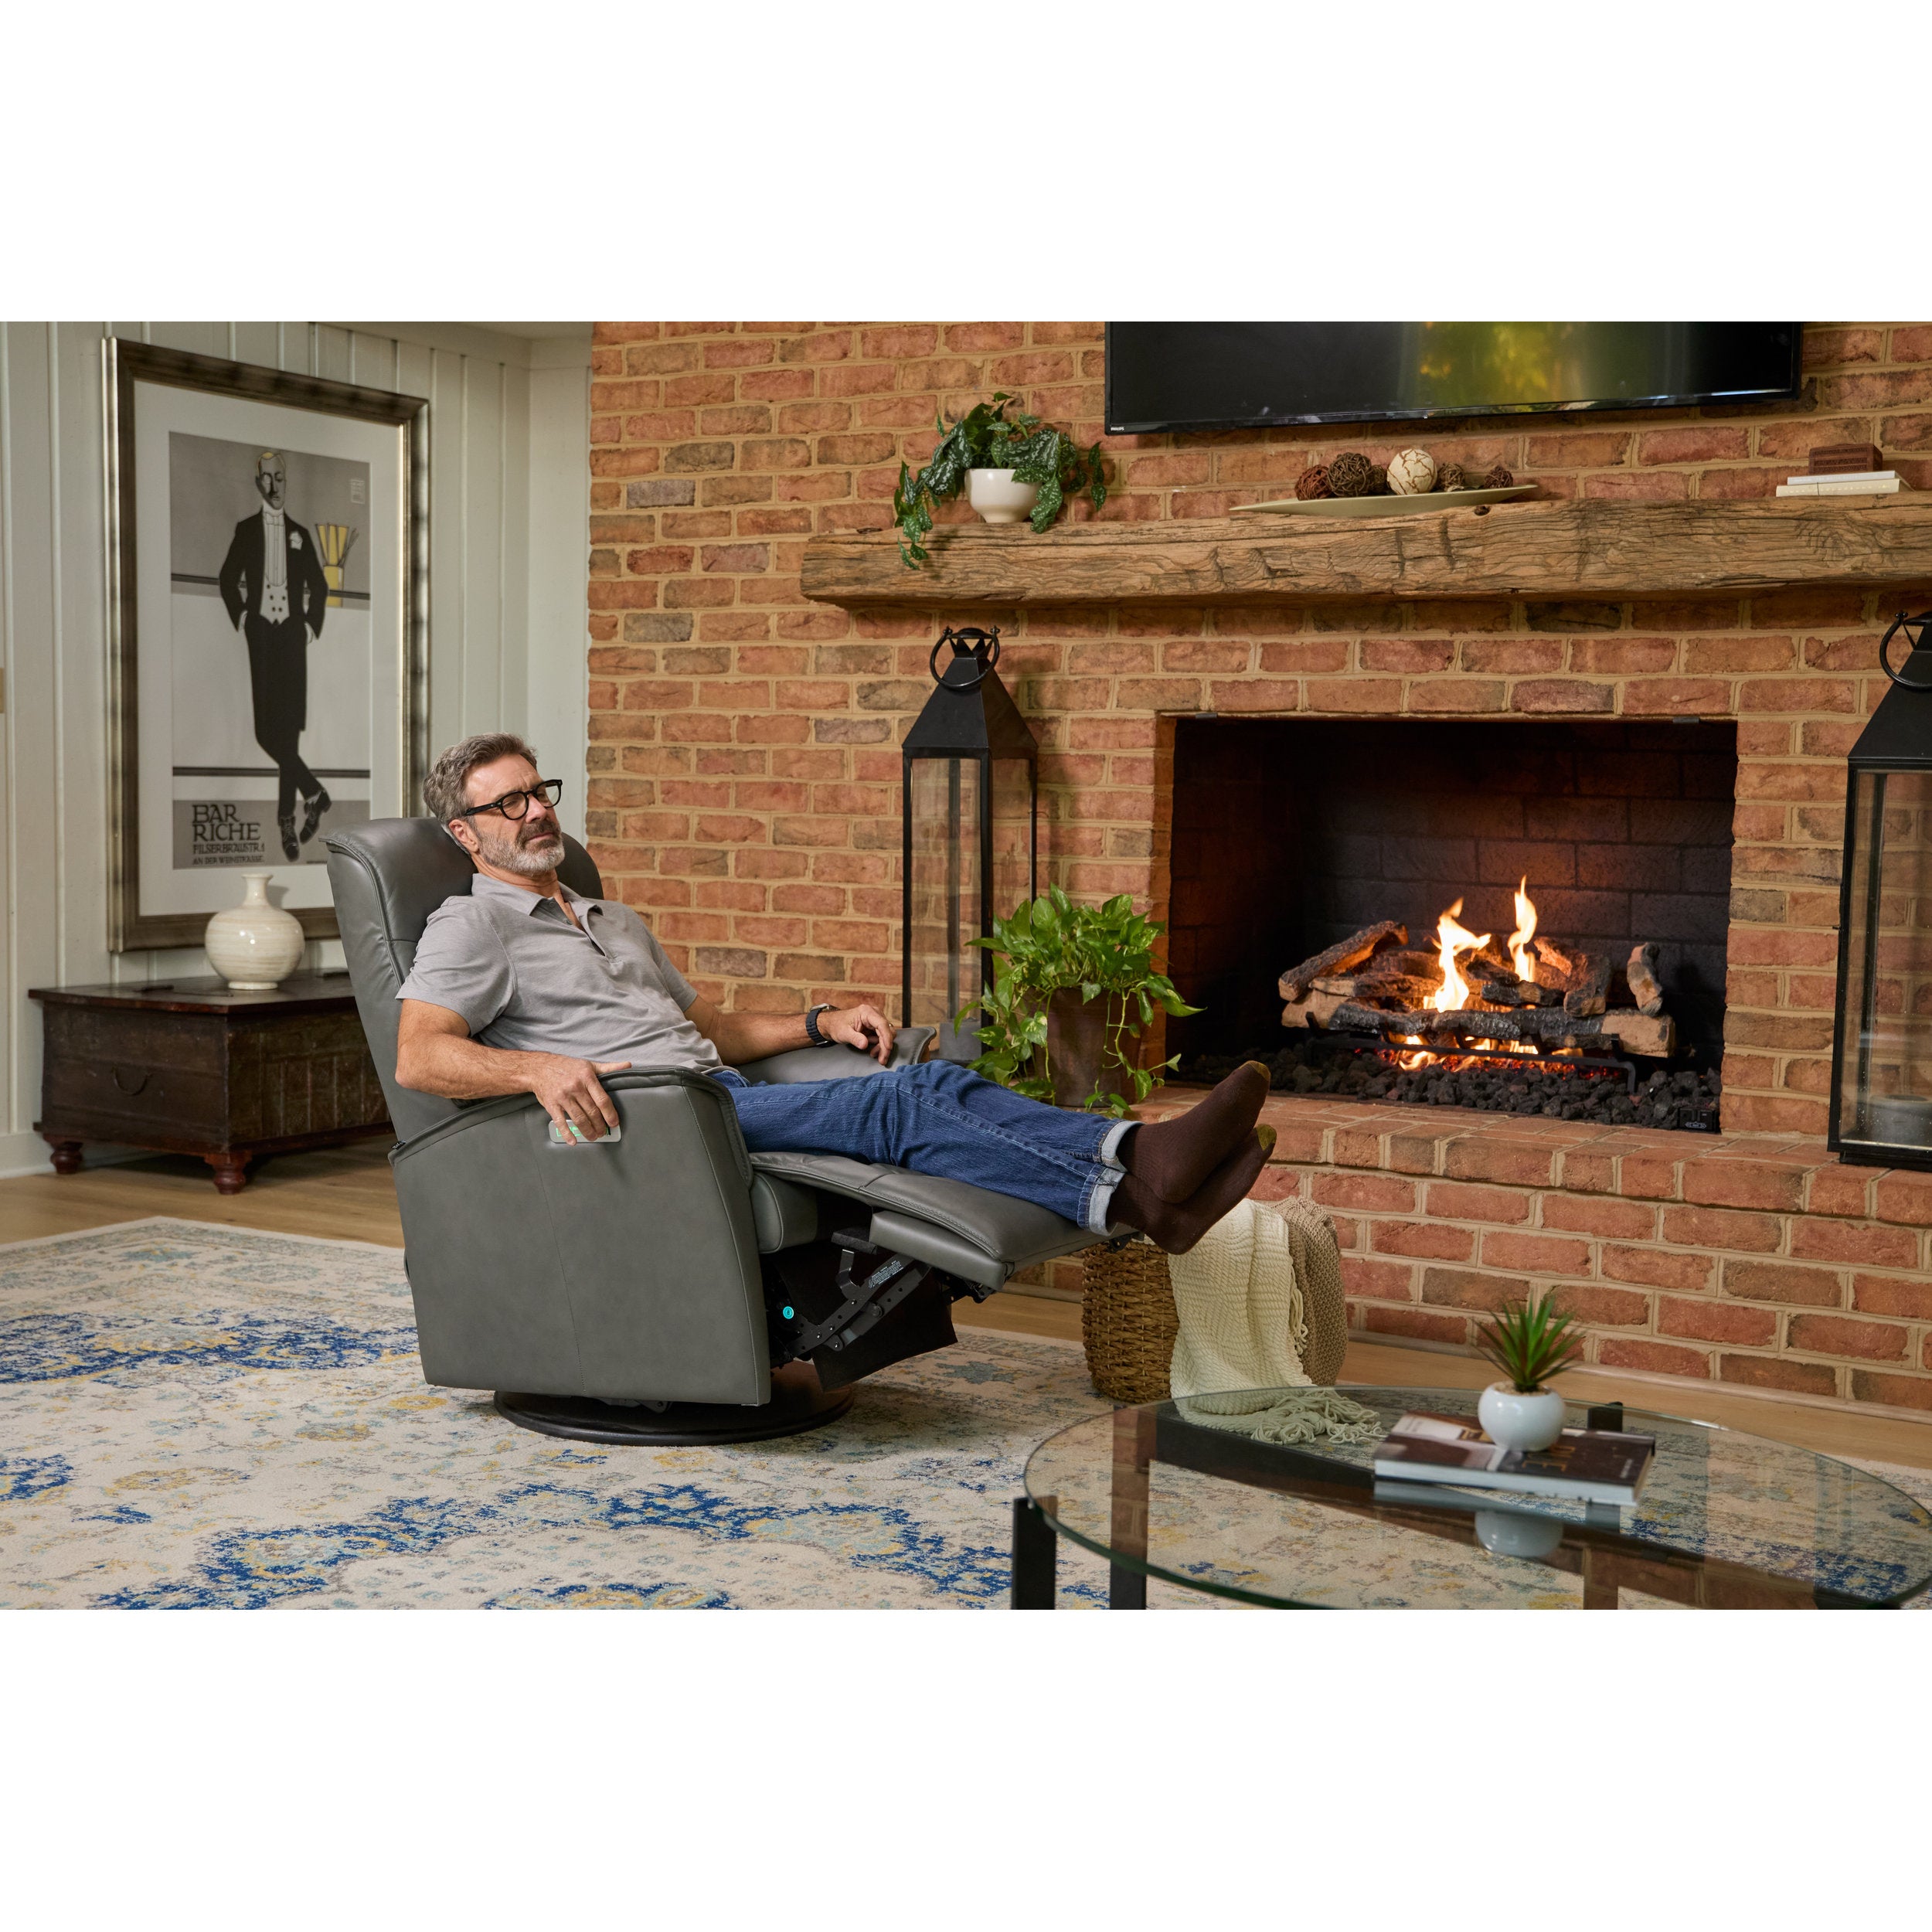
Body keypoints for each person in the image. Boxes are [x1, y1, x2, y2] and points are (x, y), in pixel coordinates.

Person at [393, 733, 1274, 1253]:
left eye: (538, 792)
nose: (538, 812)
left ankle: (1140, 1198)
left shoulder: (609, 917)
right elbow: (419, 1054)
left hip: (714, 1092)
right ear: (465, 834)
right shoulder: (474, 926)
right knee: (913, 1098)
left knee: (926, 1082)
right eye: (509, 805)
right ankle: (1139, 1162)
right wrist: (541, 1069)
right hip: (653, 1119)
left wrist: (817, 1019)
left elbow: (711, 1029)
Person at [217, 449, 332, 862]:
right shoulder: (246, 529)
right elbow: (228, 579)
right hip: (262, 636)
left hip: (291, 640)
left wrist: (309, 625)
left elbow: (318, 586)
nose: (274, 486)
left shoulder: (299, 532)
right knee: (265, 731)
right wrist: (245, 616)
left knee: (288, 734)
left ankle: (287, 820)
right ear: (257, 483)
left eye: (279, 478)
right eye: (266, 479)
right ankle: (315, 792)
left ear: (286, 481)